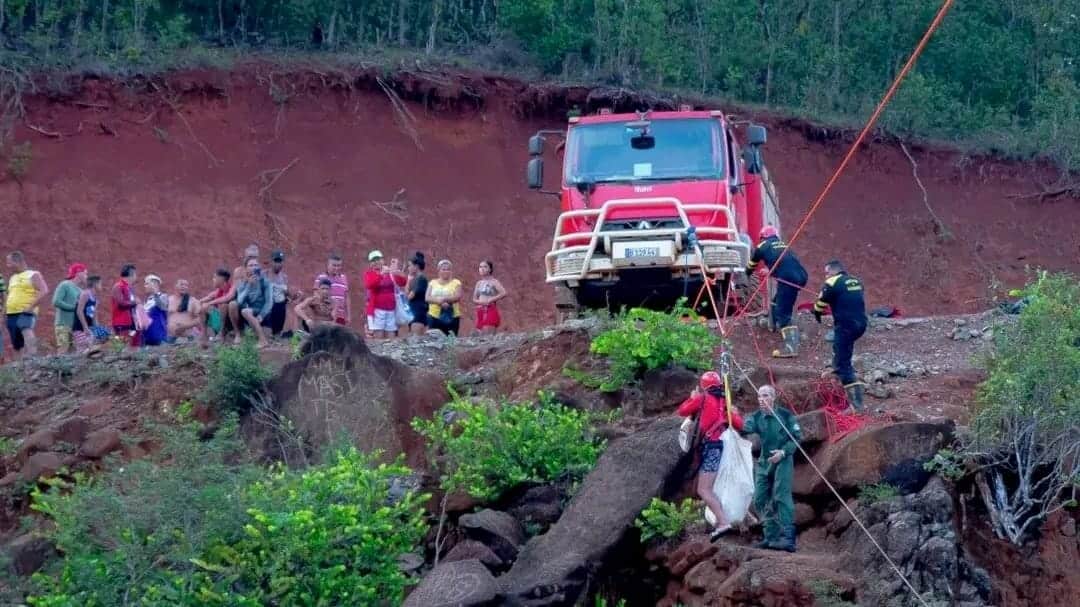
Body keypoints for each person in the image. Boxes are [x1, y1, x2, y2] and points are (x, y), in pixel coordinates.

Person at [677, 371, 744, 541]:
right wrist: (733, 412)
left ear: (703, 385)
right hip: (722, 446)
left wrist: (693, 397)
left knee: (703, 489)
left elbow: (682, 411)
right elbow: (739, 423)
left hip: (711, 448)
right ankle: (744, 519)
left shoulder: (703, 398)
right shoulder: (723, 401)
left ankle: (723, 523)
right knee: (716, 485)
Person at [740, 384, 801, 552]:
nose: (761, 400)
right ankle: (771, 536)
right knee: (759, 497)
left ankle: (788, 539)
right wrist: (730, 415)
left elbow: (797, 438)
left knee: (781, 495)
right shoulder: (757, 416)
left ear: (773, 398)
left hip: (783, 459)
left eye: (765, 396)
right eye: (759, 396)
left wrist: (783, 452)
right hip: (765, 461)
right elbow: (745, 428)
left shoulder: (786, 415)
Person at [812, 260, 868, 413]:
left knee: (845, 364)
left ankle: (857, 405)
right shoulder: (856, 280)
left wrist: (816, 312)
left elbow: (820, 304)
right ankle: (836, 368)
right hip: (861, 323)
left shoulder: (831, 282)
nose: (826, 275)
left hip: (846, 325)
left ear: (832, 271)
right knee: (841, 346)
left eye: (826, 272)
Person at [747, 225, 808, 358]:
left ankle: (791, 348)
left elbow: (752, 264)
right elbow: (785, 263)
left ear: (762, 237)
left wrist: (746, 274)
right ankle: (773, 323)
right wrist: (771, 271)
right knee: (778, 301)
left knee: (784, 311)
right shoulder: (784, 245)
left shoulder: (762, 246)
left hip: (788, 278)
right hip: (801, 276)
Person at [5, 251, 50, 358]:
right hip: (11, 313)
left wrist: (31, 306)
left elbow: (44, 290)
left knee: (26, 330)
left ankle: (32, 358)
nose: (8, 266)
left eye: (9, 263)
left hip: (25, 311)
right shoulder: (13, 277)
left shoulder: (33, 274)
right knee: (16, 341)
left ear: (18, 261)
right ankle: (18, 366)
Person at [363, 250, 407, 339]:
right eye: (373, 260)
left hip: (391, 310)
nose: (376, 262)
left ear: (383, 260)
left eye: (378, 259)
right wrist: (381, 275)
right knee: (378, 337)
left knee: (391, 338)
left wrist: (397, 272)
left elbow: (403, 282)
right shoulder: (369, 274)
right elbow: (370, 285)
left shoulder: (390, 272)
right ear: (370, 263)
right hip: (377, 311)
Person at [230, 256, 273, 346]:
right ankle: (238, 333)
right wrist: (249, 285)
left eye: (256, 265)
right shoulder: (243, 283)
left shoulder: (264, 281)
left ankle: (263, 340)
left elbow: (269, 302)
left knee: (246, 311)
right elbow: (240, 301)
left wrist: (262, 315)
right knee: (233, 304)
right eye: (251, 265)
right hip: (247, 312)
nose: (254, 267)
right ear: (245, 269)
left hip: (262, 312)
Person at [52, 263, 87, 354]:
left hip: (75, 327)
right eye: (85, 273)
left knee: (74, 352)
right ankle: (58, 367)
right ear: (79, 273)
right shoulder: (65, 285)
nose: (86, 276)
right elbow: (56, 301)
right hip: (63, 324)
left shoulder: (80, 290)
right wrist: (72, 308)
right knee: (63, 349)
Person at [426, 259, 463, 336]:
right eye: (443, 269)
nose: (446, 271)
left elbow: (457, 296)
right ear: (439, 270)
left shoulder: (456, 282)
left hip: (452, 316)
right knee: (434, 340)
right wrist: (439, 302)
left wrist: (444, 299)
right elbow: (427, 298)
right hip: (434, 316)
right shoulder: (432, 283)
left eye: (448, 269)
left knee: (450, 341)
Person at [264, 250, 295, 338]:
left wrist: (292, 294)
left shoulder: (284, 277)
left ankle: (285, 331)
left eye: (280, 261)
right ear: (271, 261)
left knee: (286, 305)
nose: (278, 264)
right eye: (276, 261)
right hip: (266, 306)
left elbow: (289, 295)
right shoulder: (264, 274)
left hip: (279, 307)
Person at [199, 268, 234, 344]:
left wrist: (210, 303)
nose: (213, 279)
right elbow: (205, 298)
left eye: (214, 277)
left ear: (221, 279)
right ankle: (204, 336)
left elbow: (226, 298)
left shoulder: (232, 288)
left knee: (223, 305)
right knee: (203, 308)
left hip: (230, 324)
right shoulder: (218, 291)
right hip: (219, 321)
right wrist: (198, 303)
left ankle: (222, 333)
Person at [473, 260, 507, 335]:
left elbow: (503, 293)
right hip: (480, 310)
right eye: (480, 267)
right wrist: (482, 302)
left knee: (488, 335)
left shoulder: (494, 282)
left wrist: (491, 299)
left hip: (490, 309)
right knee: (480, 335)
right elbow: (474, 299)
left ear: (490, 269)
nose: (482, 269)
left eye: (485, 267)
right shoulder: (479, 283)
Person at [315, 253, 350, 326]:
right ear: (328, 265)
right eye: (334, 265)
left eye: (339, 265)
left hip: (341, 316)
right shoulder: (321, 277)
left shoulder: (344, 278)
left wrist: (348, 315)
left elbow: (347, 298)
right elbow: (316, 296)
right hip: (326, 317)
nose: (337, 268)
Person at [74, 275, 105, 352]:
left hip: (89, 327)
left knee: (93, 348)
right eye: (100, 284)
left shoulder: (95, 298)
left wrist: (97, 329)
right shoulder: (85, 294)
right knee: (83, 350)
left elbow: (94, 315)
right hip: (80, 328)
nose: (101, 286)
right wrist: (85, 327)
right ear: (95, 284)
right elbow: (79, 311)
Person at [111, 264, 139, 346]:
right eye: (135, 274)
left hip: (130, 322)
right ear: (131, 274)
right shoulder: (118, 286)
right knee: (120, 345)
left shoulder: (129, 287)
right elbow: (121, 303)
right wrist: (135, 302)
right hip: (121, 322)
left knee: (131, 343)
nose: (136, 276)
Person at [140, 274, 169, 347]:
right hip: (146, 338)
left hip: (158, 338)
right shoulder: (146, 300)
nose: (144, 286)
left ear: (154, 284)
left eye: (147, 284)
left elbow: (162, 307)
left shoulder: (163, 296)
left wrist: (155, 293)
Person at [405, 252, 429, 336]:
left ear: (416, 266)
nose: (408, 268)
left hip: (418, 312)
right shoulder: (413, 279)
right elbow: (406, 293)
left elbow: (410, 296)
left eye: (410, 265)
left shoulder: (421, 279)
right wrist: (408, 279)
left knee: (417, 338)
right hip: (413, 312)